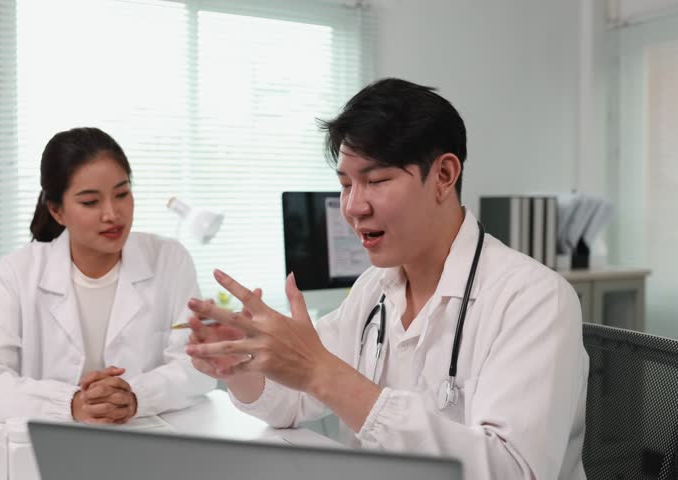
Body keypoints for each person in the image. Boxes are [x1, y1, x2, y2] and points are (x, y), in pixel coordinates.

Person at [184, 79, 588, 479]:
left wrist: (322, 372)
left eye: (375, 181)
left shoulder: (534, 298)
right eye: (345, 185)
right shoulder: (374, 289)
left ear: (444, 175)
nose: (354, 207)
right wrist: (242, 364)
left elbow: (512, 472)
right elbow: (287, 404)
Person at [0, 127, 215, 424]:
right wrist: (72, 405)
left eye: (122, 194)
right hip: (52, 447)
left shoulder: (169, 260)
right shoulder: (17, 274)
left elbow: (198, 367)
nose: (112, 214)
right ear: (57, 211)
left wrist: (135, 396)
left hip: (146, 437)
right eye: (90, 202)